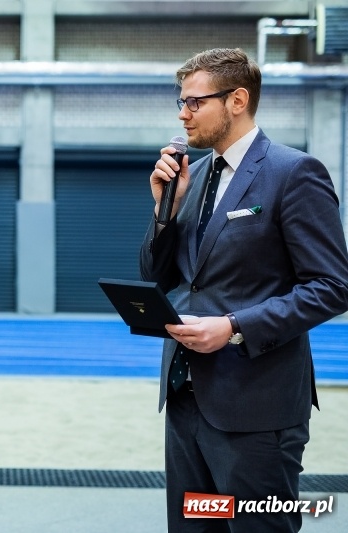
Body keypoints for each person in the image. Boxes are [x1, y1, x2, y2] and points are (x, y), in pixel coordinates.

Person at [141, 48, 348, 532]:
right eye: (181, 101)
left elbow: (333, 286)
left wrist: (234, 327)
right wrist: (163, 213)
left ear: (237, 100)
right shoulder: (196, 178)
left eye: (195, 102)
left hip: (257, 409)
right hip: (187, 400)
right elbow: (159, 276)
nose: (182, 113)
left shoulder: (293, 173)